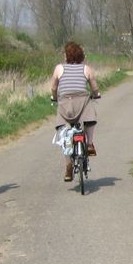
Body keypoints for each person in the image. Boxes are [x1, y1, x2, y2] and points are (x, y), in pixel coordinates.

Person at [51, 41, 101, 181]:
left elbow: (54, 88)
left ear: (67, 56)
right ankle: (90, 144)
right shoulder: (86, 69)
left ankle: (68, 166)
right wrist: (96, 94)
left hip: (65, 105)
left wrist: (54, 98)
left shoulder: (59, 68)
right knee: (90, 119)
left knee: (63, 130)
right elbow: (95, 88)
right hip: (82, 103)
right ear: (81, 56)